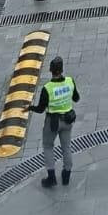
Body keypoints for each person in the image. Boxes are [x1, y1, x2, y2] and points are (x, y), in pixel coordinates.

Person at [31, 55, 79, 188]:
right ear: (62, 69)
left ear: (51, 70)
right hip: (68, 121)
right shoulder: (70, 81)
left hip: (52, 122)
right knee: (66, 147)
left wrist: (29, 108)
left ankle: (51, 178)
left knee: (48, 146)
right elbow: (76, 98)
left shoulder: (48, 88)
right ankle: (66, 175)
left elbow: (41, 109)